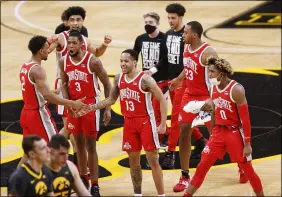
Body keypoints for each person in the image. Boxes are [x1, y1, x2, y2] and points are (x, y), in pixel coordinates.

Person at [74, 49, 167, 196]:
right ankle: (138, 194)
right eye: (121, 61)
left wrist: (162, 124)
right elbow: (111, 99)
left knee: (153, 160)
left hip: (145, 122)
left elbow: (161, 99)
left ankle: (161, 195)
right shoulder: (118, 79)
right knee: (133, 162)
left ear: (135, 62)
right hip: (129, 123)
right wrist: (91, 108)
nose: (123, 64)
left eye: (126, 61)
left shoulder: (146, 80)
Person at [169, 21, 248, 192]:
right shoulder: (187, 47)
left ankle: (242, 166)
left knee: (220, 136)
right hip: (190, 96)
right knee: (183, 132)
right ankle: (184, 176)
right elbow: (188, 67)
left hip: (207, 97)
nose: (183, 35)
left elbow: (219, 74)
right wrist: (179, 79)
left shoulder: (208, 53)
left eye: (185, 33)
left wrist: (214, 98)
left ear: (195, 35)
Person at [182, 57, 264, 197]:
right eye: (208, 71)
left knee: (248, 169)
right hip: (218, 133)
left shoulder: (236, 90)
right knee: (202, 166)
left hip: (234, 133)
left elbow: (245, 119)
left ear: (222, 73)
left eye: (212, 72)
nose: (209, 75)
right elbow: (213, 111)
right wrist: (213, 132)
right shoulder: (213, 87)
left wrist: (247, 143)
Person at [50, 6, 112, 169]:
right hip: (66, 87)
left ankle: (78, 166)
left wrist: (105, 45)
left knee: (78, 134)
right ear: (66, 22)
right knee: (70, 129)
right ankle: (54, 152)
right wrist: (47, 43)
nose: (76, 23)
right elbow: (46, 51)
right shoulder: (61, 38)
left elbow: (96, 53)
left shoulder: (84, 40)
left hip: (84, 87)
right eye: (72, 20)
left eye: (79, 19)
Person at [146, 3, 206, 170]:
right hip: (172, 81)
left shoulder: (186, 37)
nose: (170, 21)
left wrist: (182, 79)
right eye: (168, 18)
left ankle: (171, 154)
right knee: (183, 118)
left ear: (180, 18)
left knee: (177, 118)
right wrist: (152, 71)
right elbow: (166, 59)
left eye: (173, 18)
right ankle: (201, 141)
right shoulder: (169, 35)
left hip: (185, 83)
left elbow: (192, 61)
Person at [18, 35, 87, 168]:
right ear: (40, 51)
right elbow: (47, 96)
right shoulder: (38, 69)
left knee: (28, 154)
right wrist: (71, 103)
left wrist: (50, 92)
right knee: (52, 149)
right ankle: (54, 185)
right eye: (46, 47)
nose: (48, 49)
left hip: (25, 113)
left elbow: (32, 90)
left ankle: (15, 184)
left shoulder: (25, 66)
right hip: (37, 115)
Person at [59, 30, 112, 196]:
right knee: (78, 145)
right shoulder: (63, 61)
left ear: (82, 45)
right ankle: (83, 179)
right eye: (69, 43)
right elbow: (64, 84)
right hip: (74, 107)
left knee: (91, 146)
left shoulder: (92, 61)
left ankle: (95, 184)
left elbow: (107, 84)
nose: (71, 46)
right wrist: (68, 105)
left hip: (89, 106)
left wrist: (107, 107)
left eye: (74, 43)